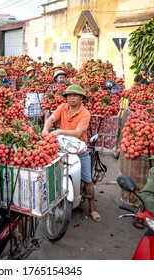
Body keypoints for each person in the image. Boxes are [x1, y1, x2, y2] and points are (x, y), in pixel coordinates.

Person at [42, 85, 101, 222]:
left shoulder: (85, 113)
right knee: (52, 173)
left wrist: (59, 131)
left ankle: (92, 208)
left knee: (87, 180)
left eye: (75, 95)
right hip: (63, 148)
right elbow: (51, 119)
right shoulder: (62, 107)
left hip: (80, 150)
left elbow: (78, 133)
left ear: (81, 98)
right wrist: (45, 129)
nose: (72, 98)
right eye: (69, 95)